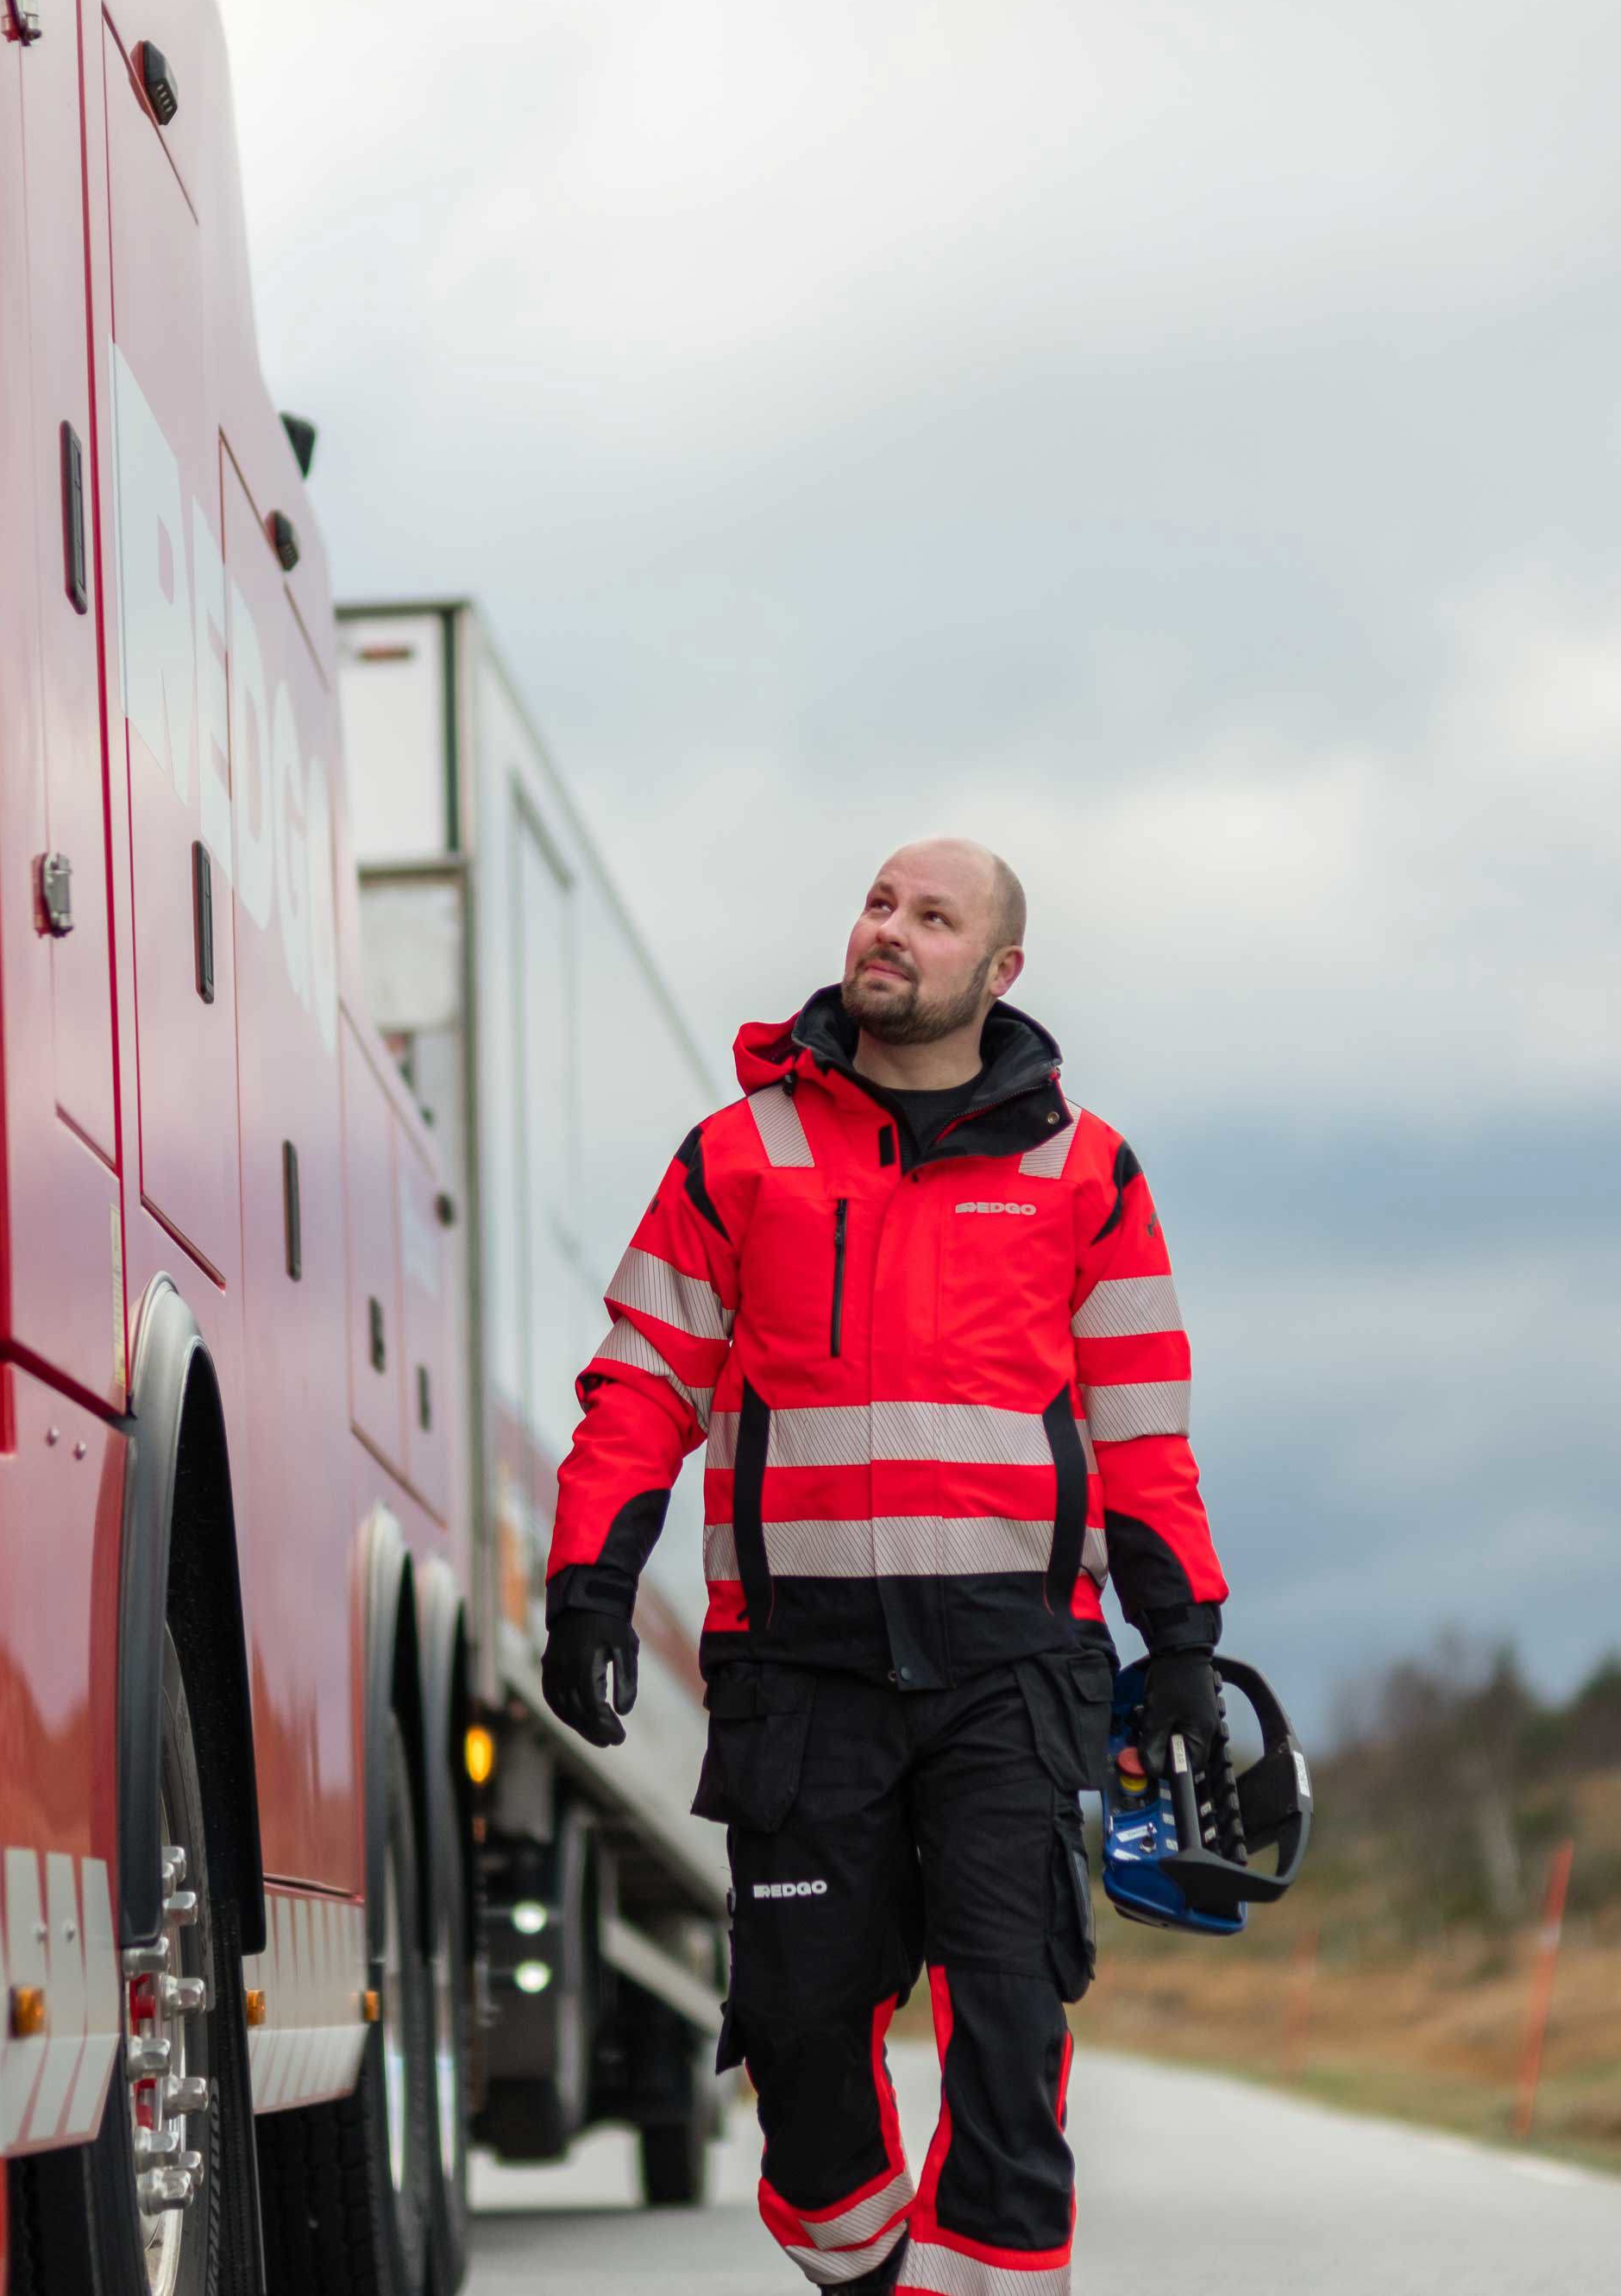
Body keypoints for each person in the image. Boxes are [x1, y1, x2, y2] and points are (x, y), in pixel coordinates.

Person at [542, 838, 1232, 2294]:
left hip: (1015, 1670)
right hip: (802, 1676)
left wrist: (1179, 1647)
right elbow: (643, 1381)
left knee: (1008, 2018)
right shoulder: (741, 1154)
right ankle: (864, 2273)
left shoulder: (1085, 1172)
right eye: (877, 903)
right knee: (797, 2054)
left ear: (999, 969)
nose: (890, 932)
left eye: (932, 917)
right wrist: (593, 1579)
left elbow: (1144, 1429)